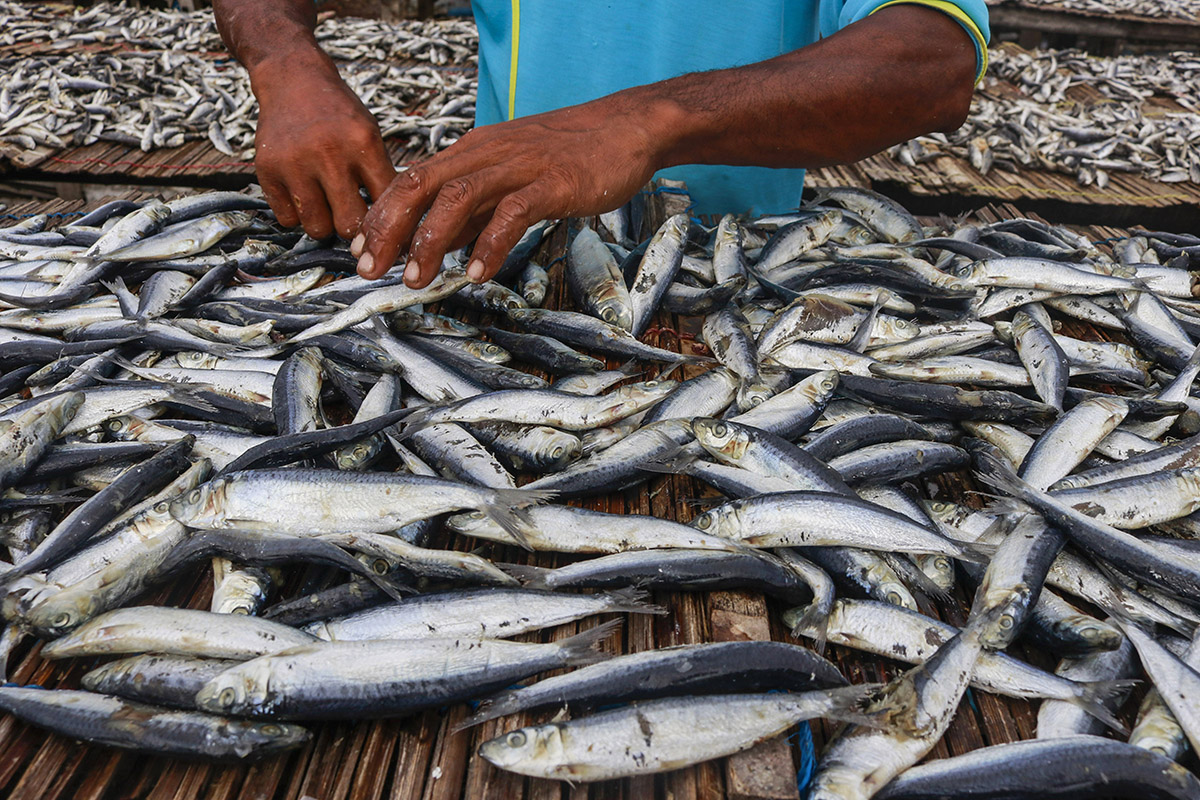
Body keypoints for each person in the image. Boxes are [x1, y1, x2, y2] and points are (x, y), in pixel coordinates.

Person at [212, 1, 988, 288]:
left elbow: (933, 56)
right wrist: (283, 57)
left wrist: (649, 122)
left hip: (739, 278)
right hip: (503, 261)